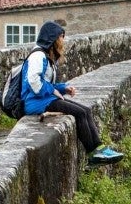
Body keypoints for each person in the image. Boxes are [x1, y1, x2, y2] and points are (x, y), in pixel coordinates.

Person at [22, 21, 123, 165]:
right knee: (79, 113)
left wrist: (63, 88)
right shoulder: (38, 56)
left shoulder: (47, 56)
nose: (62, 41)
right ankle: (93, 154)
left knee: (86, 110)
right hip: (36, 102)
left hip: (44, 99)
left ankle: (100, 149)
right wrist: (53, 91)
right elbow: (34, 82)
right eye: (60, 37)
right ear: (52, 38)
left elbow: (46, 83)